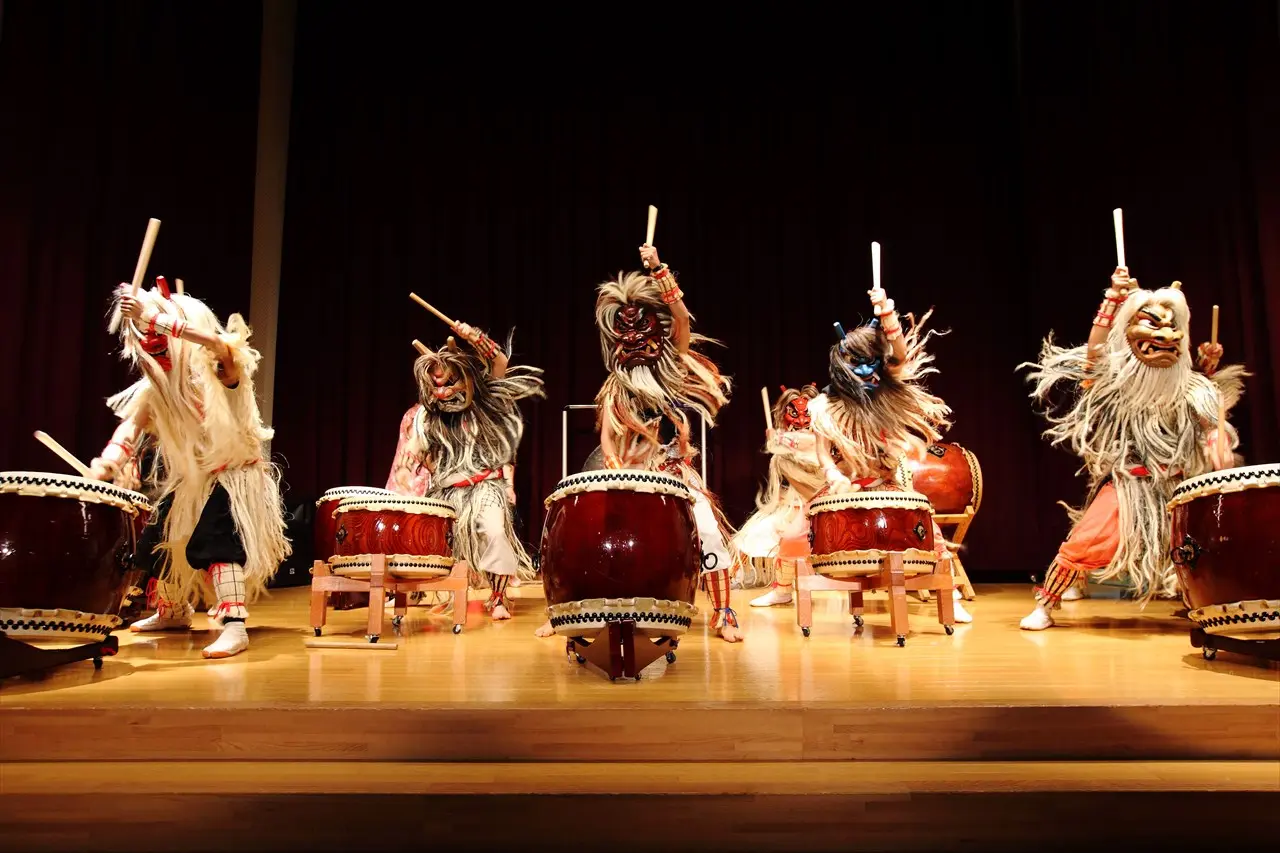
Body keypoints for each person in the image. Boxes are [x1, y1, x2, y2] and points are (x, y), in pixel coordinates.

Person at [536, 243, 742, 642]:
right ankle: (563, 612)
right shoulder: (615, 389)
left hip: (671, 473)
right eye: (623, 329)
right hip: (623, 475)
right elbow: (608, 440)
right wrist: (614, 466)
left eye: (641, 327)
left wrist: (660, 270)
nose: (632, 337)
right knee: (584, 536)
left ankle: (724, 613)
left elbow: (681, 318)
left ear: (659, 331)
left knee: (708, 532)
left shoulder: (672, 369)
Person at [1019, 268, 1245, 630]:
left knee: (1198, 549)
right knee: (1086, 541)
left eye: (1172, 328)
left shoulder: (1190, 388)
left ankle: (1206, 604)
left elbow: (1210, 424)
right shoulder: (1116, 384)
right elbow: (1094, 354)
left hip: (1177, 487)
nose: (1163, 335)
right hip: (1130, 484)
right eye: (1151, 325)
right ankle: (1047, 602)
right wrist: (1111, 300)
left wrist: (1218, 446)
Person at [88, 276, 290, 659]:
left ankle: (234, 626)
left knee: (217, 542)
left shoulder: (219, 368)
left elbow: (218, 344)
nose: (154, 347)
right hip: (193, 480)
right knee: (159, 543)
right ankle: (173, 611)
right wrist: (109, 462)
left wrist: (155, 317)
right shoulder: (158, 390)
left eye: (159, 339)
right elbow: (130, 426)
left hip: (233, 475)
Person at [809, 281, 971, 623]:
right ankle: (790, 587)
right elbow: (824, 453)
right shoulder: (825, 406)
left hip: (888, 481)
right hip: (845, 486)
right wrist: (833, 473)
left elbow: (899, 354)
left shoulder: (886, 391)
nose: (868, 371)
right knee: (798, 531)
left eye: (872, 362)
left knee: (928, 535)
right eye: (857, 363)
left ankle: (949, 595)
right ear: (842, 365)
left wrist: (886, 313)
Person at [404, 322, 544, 620]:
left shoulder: (485, 403)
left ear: (464, 380)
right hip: (448, 492)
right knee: (449, 549)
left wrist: (475, 337)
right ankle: (450, 595)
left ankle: (499, 597)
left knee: (495, 534)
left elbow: (499, 362)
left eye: (448, 383)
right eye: (435, 386)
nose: (442, 391)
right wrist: (444, 476)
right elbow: (421, 455)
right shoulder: (428, 418)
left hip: (485, 489)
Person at [734, 385, 825, 607]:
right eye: (795, 414)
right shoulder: (782, 457)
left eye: (807, 414)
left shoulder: (823, 439)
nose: (802, 420)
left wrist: (782, 440)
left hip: (828, 499)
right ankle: (782, 589)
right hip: (798, 504)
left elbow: (814, 451)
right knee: (761, 536)